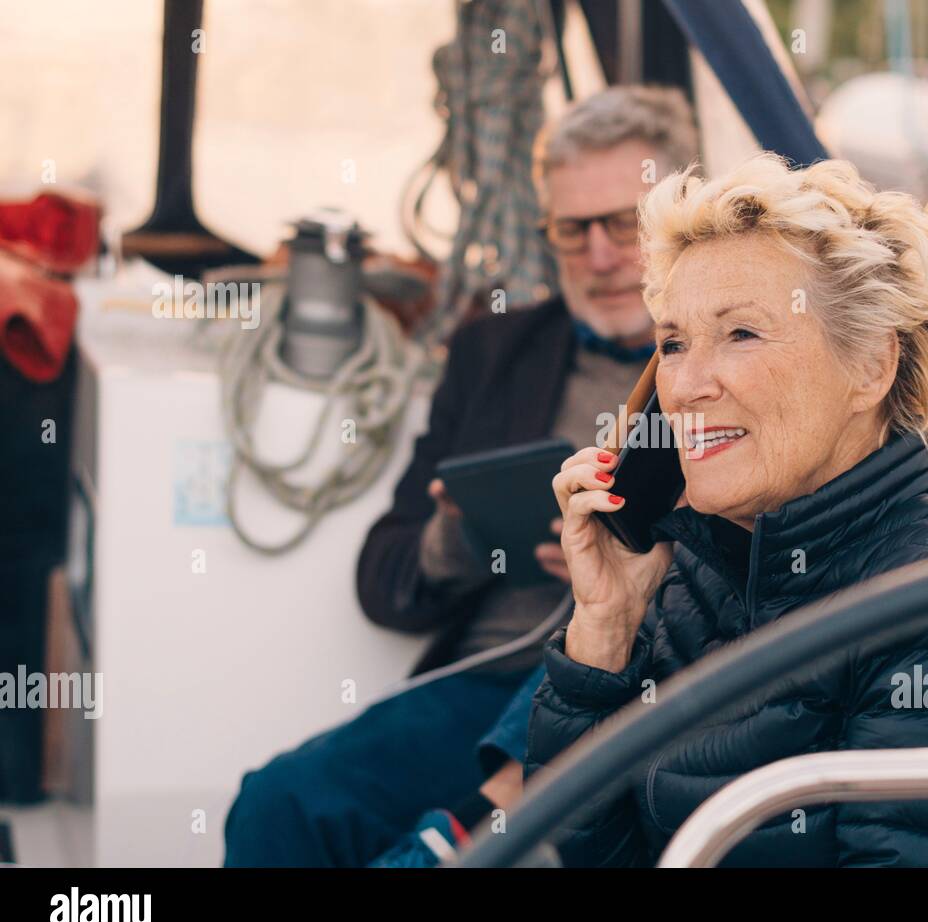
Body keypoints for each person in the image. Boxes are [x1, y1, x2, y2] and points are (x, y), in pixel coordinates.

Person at [528, 153, 928, 867]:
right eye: (672, 342)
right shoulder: (695, 566)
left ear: (872, 367)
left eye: (741, 333)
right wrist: (603, 632)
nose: (687, 385)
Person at [223, 85, 699, 866]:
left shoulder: (719, 361)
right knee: (281, 803)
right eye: (573, 231)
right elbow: (382, 577)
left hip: (641, 687)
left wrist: (626, 566)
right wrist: (462, 537)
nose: (602, 256)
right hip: (488, 677)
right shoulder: (492, 351)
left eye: (626, 224)